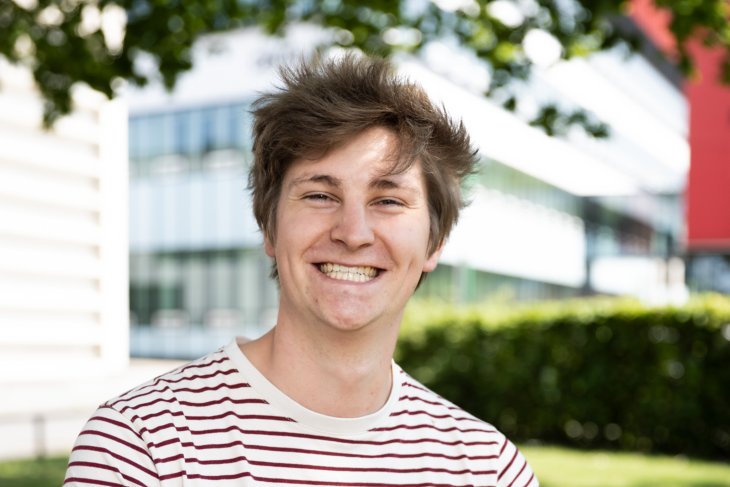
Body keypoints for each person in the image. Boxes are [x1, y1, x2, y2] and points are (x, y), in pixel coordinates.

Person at [64, 53, 538, 486]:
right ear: (269, 227)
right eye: (320, 195)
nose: (353, 233)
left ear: (434, 242)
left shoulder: (489, 468)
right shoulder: (142, 446)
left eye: (388, 200)